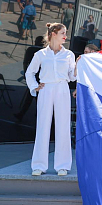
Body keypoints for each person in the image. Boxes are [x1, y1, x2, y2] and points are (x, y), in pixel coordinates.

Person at [25, 23, 76, 176]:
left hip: (62, 88)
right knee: (43, 126)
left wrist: (78, 67)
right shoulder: (40, 54)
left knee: (63, 126)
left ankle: (63, 166)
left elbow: (72, 76)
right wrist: (34, 86)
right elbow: (29, 72)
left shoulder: (69, 54)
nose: (65, 36)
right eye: (62, 33)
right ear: (53, 33)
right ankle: (39, 165)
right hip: (46, 89)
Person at [14, 36, 46, 122]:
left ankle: (23, 114)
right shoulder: (44, 52)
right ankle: (36, 114)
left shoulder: (31, 50)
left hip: (34, 77)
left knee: (31, 96)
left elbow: (25, 62)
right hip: (40, 77)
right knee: (34, 96)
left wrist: (26, 73)